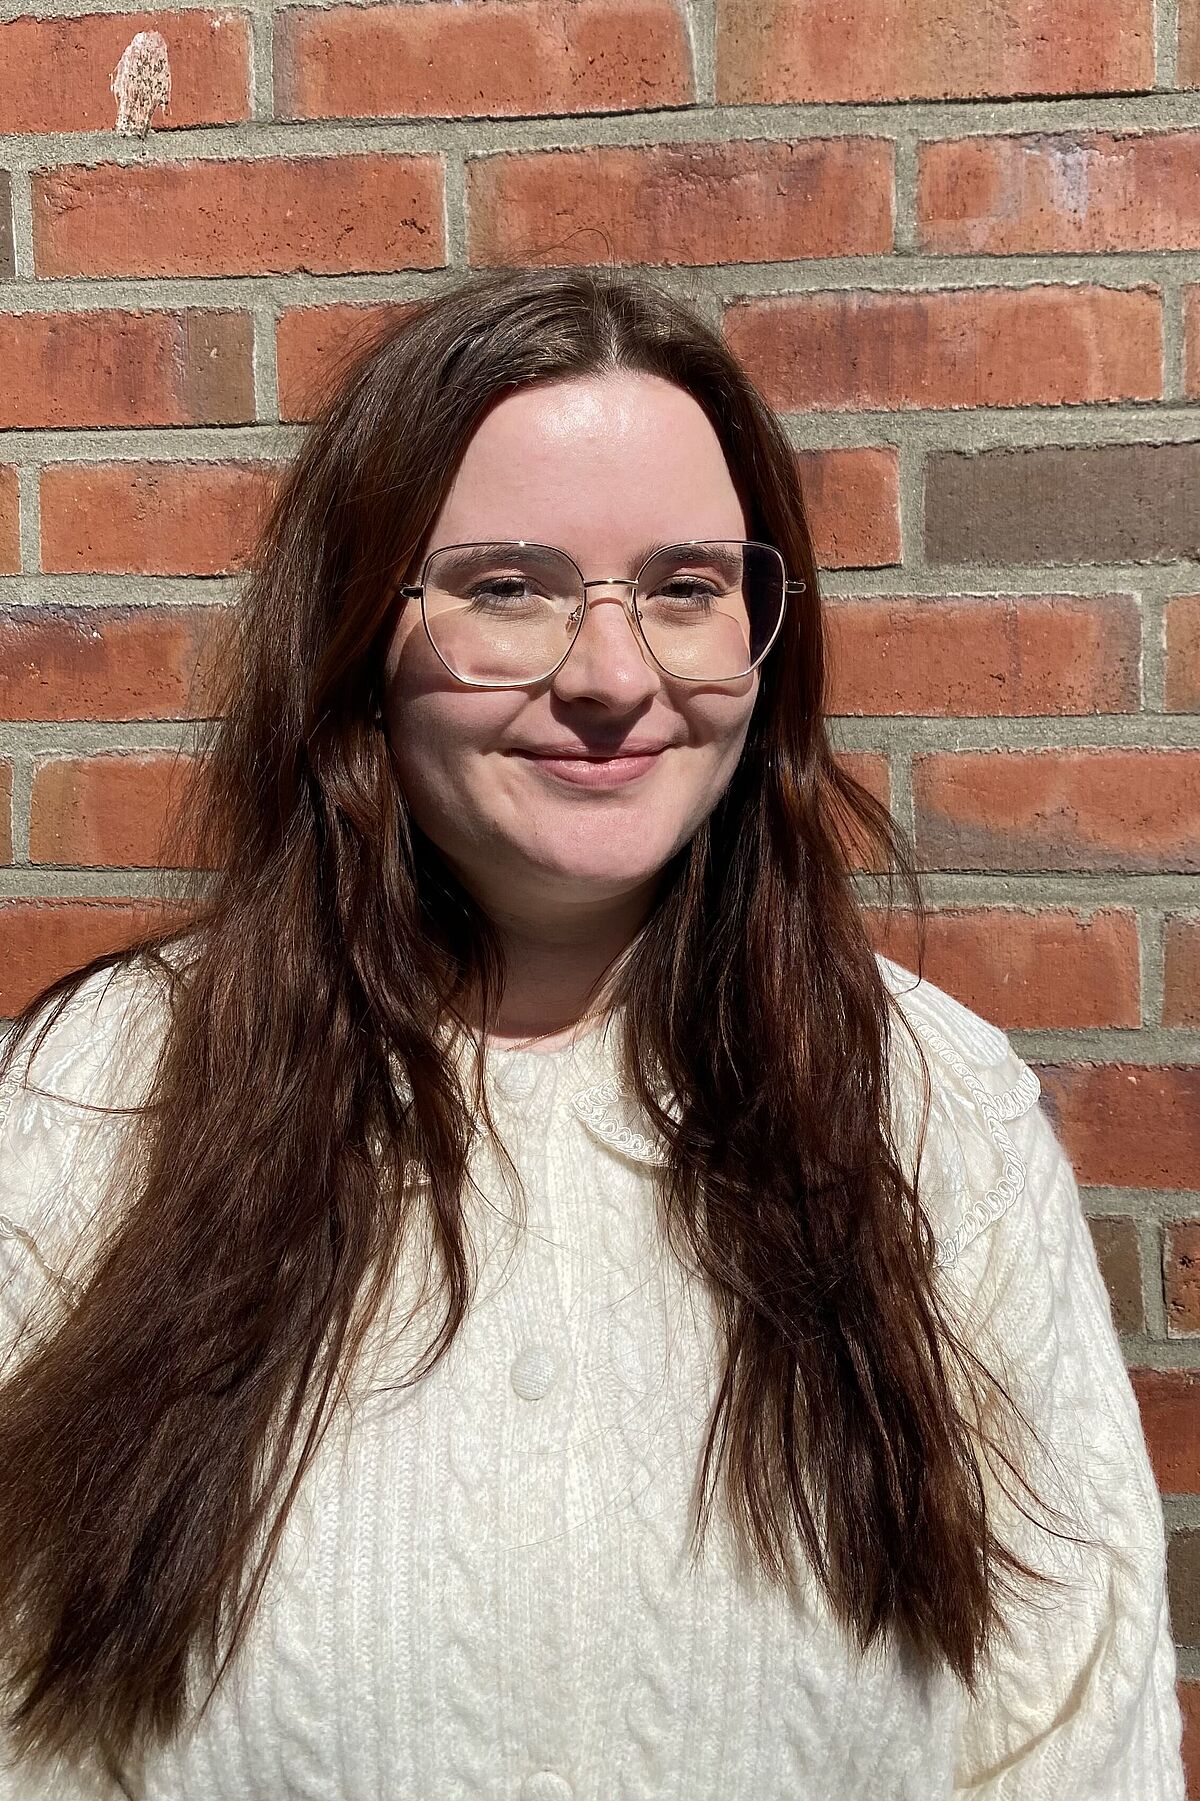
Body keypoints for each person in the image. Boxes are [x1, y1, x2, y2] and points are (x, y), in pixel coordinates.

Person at [0, 267, 1185, 1801]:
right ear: (356, 632)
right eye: (509, 587)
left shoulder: (933, 1110)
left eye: (685, 587)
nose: (615, 678)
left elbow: (1076, 1735)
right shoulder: (99, 1096)